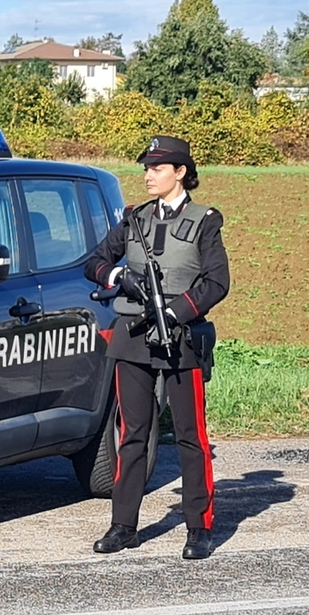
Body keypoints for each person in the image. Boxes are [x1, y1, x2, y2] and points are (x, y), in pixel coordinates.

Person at [83, 135, 230, 560]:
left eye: (157, 168)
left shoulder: (206, 221)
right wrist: (118, 278)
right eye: (146, 168)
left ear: (180, 172)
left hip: (180, 338)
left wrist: (177, 312)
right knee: (132, 436)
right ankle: (123, 525)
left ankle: (199, 527)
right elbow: (92, 262)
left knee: (190, 437)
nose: (148, 175)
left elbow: (217, 282)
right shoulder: (134, 219)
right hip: (131, 338)